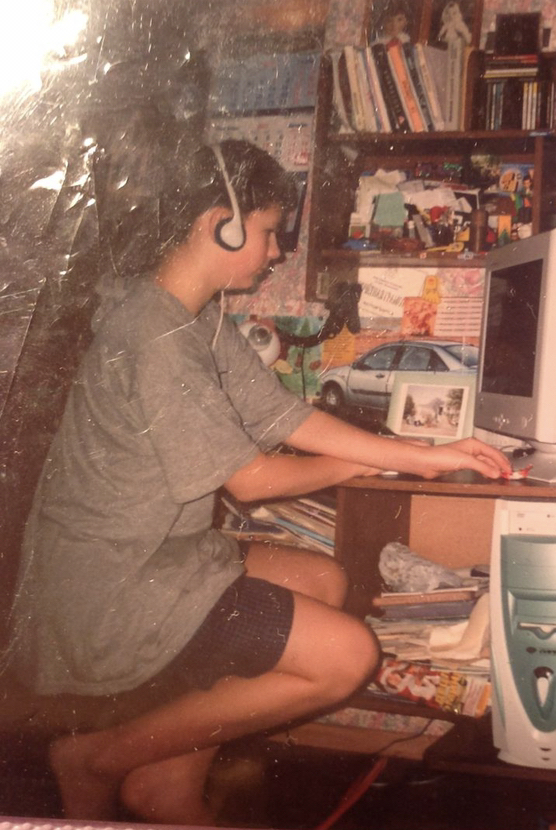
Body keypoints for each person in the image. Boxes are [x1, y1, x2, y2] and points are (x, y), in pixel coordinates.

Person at [4, 139, 510, 825]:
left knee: (324, 580)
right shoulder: (153, 336)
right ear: (221, 223)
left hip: (151, 558)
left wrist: (419, 453)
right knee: (348, 656)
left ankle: (167, 783)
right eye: (270, 231)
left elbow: (280, 415)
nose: (275, 251)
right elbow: (251, 480)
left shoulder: (192, 316)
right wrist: (364, 463)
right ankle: (97, 758)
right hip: (113, 591)